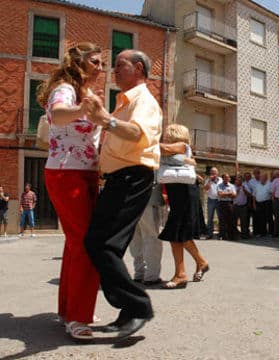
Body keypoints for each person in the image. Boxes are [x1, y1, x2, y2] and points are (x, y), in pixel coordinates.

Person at [83, 49, 161, 338]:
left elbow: (136, 134)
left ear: (138, 68)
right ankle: (129, 309)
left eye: (120, 65)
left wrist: (106, 120)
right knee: (103, 244)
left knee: (102, 244)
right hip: (120, 178)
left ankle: (138, 306)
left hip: (133, 176)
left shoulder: (144, 101)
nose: (114, 70)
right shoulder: (125, 102)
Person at [36, 42, 102, 340]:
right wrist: (80, 109)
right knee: (88, 244)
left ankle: (69, 310)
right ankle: (78, 317)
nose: (101, 68)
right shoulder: (65, 88)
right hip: (67, 172)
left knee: (76, 244)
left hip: (84, 173)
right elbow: (58, 113)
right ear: (80, 62)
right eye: (96, 62)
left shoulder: (86, 93)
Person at [158, 124, 210, 289]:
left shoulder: (182, 146)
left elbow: (159, 149)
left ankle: (181, 274)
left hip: (184, 194)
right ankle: (200, 263)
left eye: (167, 135)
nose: (164, 137)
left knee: (177, 234)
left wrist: (146, 138)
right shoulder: (176, 152)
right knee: (180, 234)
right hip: (180, 194)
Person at [129, 178, 165, 286]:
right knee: (151, 237)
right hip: (148, 198)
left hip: (129, 199)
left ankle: (139, 273)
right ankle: (151, 276)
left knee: (135, 238)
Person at [253, 172, 273, 237]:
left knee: (269, 218)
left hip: (267, 203)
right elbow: (254, 196)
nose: (261, 178)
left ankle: (270, 232)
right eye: (261, 177)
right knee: (261, 218)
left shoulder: (270, 184)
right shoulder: (257, 185)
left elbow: (272, 194)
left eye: (263, 177)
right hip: (259, 203)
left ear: (266, 178)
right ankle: (262, 232)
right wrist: (254, 204)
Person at [204, 167, 222, 239]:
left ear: (217, 173)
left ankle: (220, 234)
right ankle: (209, 234)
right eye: (212, 173)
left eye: (214, 173)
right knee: (210, 217)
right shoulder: (208, 180)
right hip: (211, 200)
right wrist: (210, 181)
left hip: (219, 200)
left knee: (220, 217)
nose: (213, 174)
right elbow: (206, 188)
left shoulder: (221, 180)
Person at [218, 173, 237, 240]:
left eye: (228, 177)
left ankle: (231, 236)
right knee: (222, 220)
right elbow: (220, 195)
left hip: (229, 203)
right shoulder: (219, 185)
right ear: (223, 178)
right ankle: (223, 236)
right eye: (225, 177)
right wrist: (229, 193)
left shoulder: (232, 186)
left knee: (231, 220)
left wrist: (225, 193)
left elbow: (234, 195)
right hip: (222, 203)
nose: (227, 179)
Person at [233, 175, 251, 239]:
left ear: (242, 182)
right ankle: (234, 235)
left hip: (243, 207)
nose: (238, 182)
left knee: (244, 222)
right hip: (235, 206)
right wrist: (237, 192)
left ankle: (244, 235)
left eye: (240, 181)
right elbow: (232, 197)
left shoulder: (245, 186)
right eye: (237, 180)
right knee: (234, 221)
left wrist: (244, 190)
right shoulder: (233, 187)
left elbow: (249, 195)